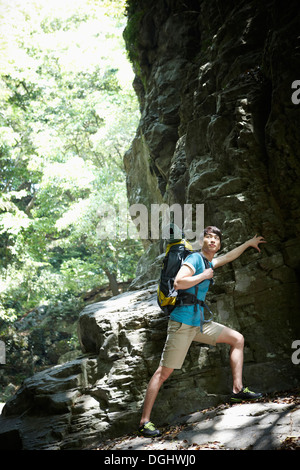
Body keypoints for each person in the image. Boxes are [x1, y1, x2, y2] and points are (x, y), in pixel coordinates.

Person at [138, 226, 266, 437]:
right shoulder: (196, 260)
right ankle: (144, 422)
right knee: (163, 373)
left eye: (216, 238)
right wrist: (203, 276)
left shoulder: (209, 262)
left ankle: (237, 391)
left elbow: (227, 257)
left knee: (237, 339)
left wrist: (247, 244)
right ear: (202, 241)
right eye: (208, 237)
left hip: (198, 324)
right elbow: (179, 282)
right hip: (181, 324)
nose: (212, 240)